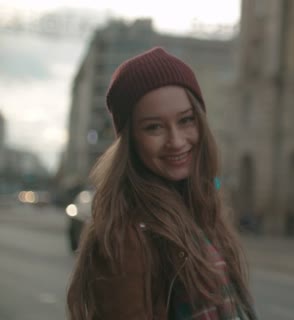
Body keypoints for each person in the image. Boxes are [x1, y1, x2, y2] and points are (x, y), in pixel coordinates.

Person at [66, 47, 256, 320]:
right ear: (130, 141)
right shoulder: (126, 235)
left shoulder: (200, 214)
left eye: (186, 120)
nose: (176, 140)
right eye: (154, 127)